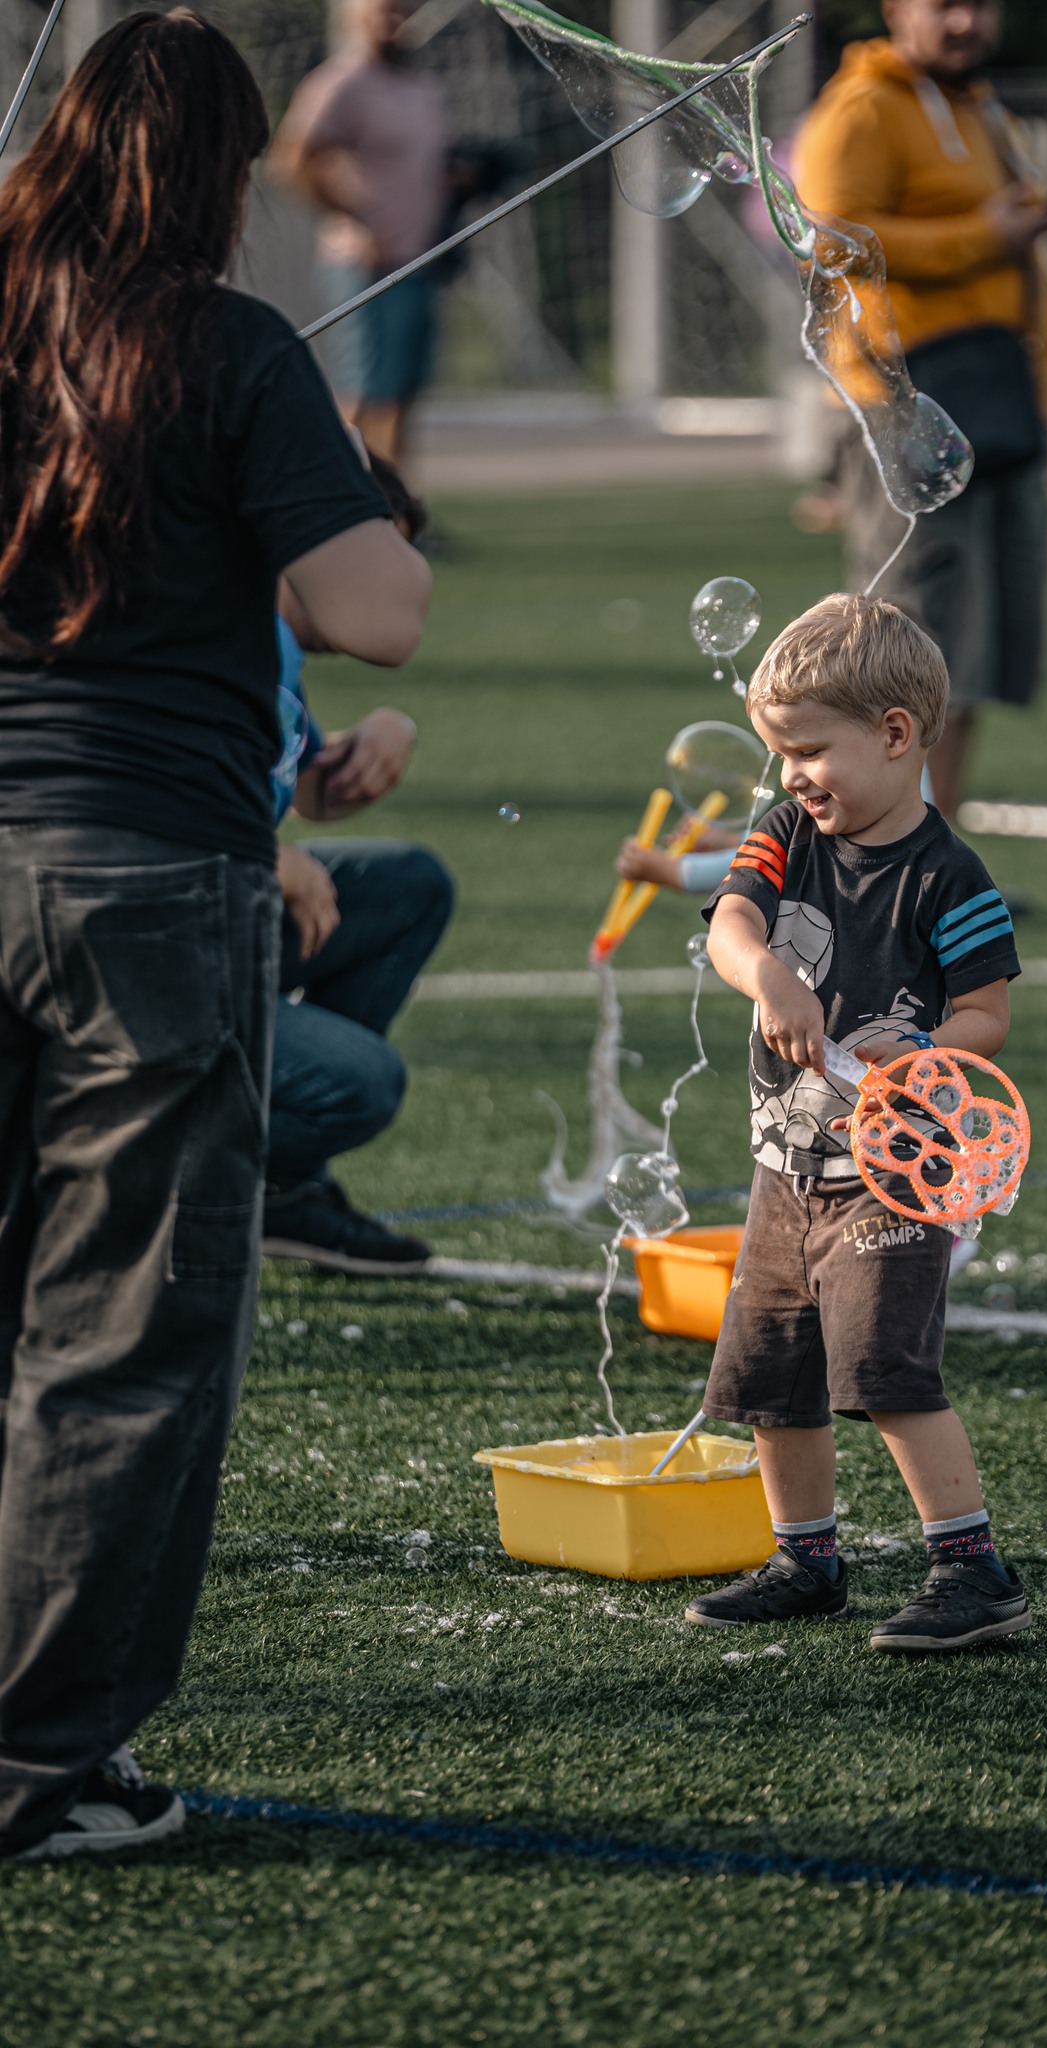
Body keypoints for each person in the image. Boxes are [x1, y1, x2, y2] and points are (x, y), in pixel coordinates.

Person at [0, 11, 430, 1863]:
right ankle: (37, 1765)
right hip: (149, 883)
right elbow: (378, 609)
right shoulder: (230, 344)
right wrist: (329, 494)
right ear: (223, 173)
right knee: (121, 1340)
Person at [685, 594, 1028, 1652]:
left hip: (894, 1173)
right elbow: (732, 924)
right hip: (785, 1168)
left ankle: (972, 1567)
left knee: (885, 1371)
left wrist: (922, 1053)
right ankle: (807, 1559)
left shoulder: (950, 878)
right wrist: (769, 975)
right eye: (779, 751)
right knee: (772, 1376)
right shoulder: (787, 833)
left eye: (807, 750)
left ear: (893, 733)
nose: (790, 774)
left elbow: (987, 1015)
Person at [795, 0, 1047, 825]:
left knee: (967, 657)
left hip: (996, 402)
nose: (965, 21)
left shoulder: (976, 104)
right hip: (905, 407)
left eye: (979, 4)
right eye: (942, 4)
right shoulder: (862, 106)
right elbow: (826, 238)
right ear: (895, 9)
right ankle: (884, 858)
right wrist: (981, 236)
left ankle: (931, 854)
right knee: (906, 655)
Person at [268, 456, 453, 1274]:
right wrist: (260, 858)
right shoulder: (225, 630)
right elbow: (125, 799)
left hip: (210, 904)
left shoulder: (277, 650)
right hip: (147, 931)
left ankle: (280, 1187)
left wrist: (381, 733)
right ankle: (126, 1179)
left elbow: (305, 785)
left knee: (407, 887)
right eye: (384, 553)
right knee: (356, 1081)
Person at [271, 0, 448, 462]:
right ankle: (343, 493)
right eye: (384, 10)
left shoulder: (419, 86)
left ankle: (395, 498)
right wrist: (353, 218)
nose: (396, 21)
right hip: (363, 264)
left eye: (404, 10)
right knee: (362, 394)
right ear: (355, 16)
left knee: (402, 394)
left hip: (418, 260)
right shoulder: (341, 81)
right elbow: (291, 160)